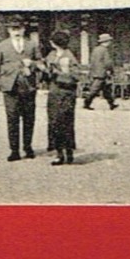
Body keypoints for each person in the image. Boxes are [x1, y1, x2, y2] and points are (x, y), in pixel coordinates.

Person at [0, 18, 43, 161]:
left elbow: (40, 62)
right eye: (13, 29)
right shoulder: (2, 46)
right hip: (9, 87)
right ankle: (14, 150)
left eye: (19, 28)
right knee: (12, 119)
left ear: (24, 29)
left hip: (28, 87)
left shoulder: (31, 45)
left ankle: (28, 147)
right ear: (9, 31)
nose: (16, 32)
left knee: (29, 118)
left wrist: (31, 63)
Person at [45, 30, 80, 165]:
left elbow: (75, 76)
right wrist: (45, 70)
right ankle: (59, 153)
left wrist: (58, 73)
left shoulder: (69, 56)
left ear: (54, 43)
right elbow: (47, 74)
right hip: (54, 93)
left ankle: (69, 152)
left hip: (66, 93)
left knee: (65, 122)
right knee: (54, 122)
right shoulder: (51, 55)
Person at [83, 33, 119, 110]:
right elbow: (107, 62)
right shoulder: (104, 50)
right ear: (107, 41)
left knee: (106, 90)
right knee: (94, 90)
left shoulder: (95, 49)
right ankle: (86, 103)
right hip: (102, 73)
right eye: (109, 41)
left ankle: (112, 104)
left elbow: (92, 61)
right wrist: (111, 71)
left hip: (95, 72)